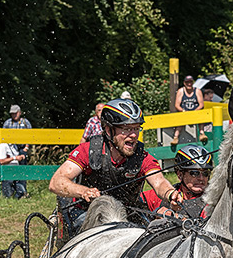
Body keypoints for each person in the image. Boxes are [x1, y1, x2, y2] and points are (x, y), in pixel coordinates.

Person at [49, 98, 180, 239]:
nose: (134, 135)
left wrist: (170, 193)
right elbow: (56, 182)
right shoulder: (88, 151)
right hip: (87, 213)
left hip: (128, 214)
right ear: (108, 130)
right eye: (126, 129)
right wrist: (84, 191)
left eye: (136, 128)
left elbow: (159, 182)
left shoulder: (141, 157)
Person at [141, 144, 213, 220]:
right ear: (180, 175)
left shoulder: (213, 201)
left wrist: (177, 218)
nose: (201, 178)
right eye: (195, 173)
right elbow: (134, 204)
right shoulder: (166, 193)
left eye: (205, 173)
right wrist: (155, 214)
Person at [0, 104, 31, 199]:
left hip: (22, 149)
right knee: (11, 169)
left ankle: (22, 192)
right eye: (12, 114)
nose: (14, 115)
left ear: (19, 113)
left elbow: (30, 135)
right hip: (11, 148)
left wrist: (26, 148)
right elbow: (3, 136)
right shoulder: (7, 123)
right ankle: (11, 192)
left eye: (15, 113)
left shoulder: (25, 123)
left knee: (22, 170)